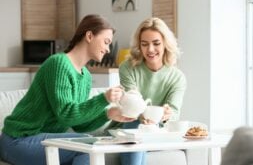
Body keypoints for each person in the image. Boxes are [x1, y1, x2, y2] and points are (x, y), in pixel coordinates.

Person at [0, 14, 135, 165]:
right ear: (89, 36)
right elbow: (66, 114)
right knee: (87, 145)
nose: (108, 49)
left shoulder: (85, 77)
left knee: (88, 144)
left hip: (40, 141)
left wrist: (109, 113)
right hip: (18, 140)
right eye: (106, 42)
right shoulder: (58, 63)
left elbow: (79, 125)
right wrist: (104, 99)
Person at [119, 17, 187, 165]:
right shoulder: (127, 68)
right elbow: (132, 103)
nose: (150, 50)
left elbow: (174, 113)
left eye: (156, 43)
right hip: (133, 126)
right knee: (136, 130)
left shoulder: (177, 78)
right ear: (139, 45)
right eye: (144, 44)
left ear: (165, 44)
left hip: (160, 131)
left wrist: (166, 115)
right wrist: (142, 117)